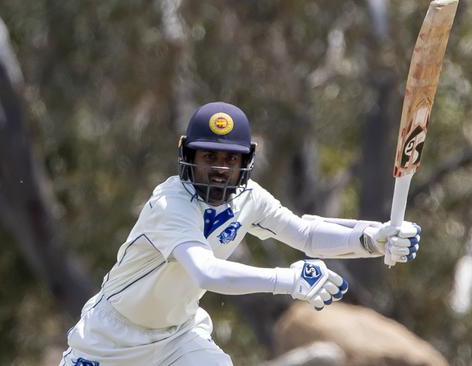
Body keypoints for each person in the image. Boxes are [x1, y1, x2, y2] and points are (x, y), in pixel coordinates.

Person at [59, 101, 421, 366]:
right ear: (188, 156)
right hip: (110, 340)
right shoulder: (170, 205)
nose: (219, 169)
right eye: (209, 157)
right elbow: (207, 272)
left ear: (245, 162)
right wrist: (288, 280)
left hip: (178, 338)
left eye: (230, 159)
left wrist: (371, 238)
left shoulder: (249, 199)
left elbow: (306, 233)